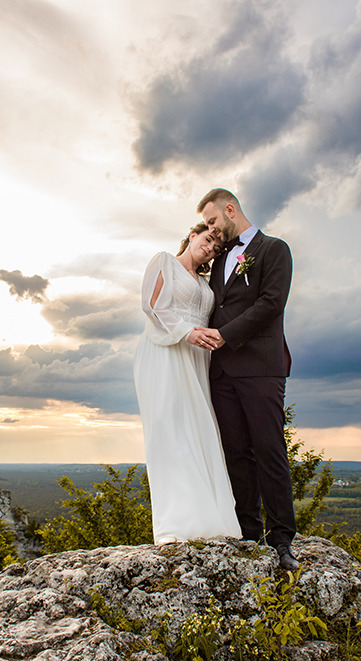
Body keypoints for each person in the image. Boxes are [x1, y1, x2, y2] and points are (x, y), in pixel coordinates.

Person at [191, 188, 299, 571]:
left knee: (269, 451)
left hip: (259, 367)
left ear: (230, 209)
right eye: (207, 226)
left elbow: (271, 304)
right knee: (236, 454)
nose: (212, 229)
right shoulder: (219, 258)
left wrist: (225, 335)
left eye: (213, 221)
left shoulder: (274, 250)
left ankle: (283, 539)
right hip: (221, 372)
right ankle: (249, 534)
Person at [133, 222, 242, 544]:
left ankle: (211, 520)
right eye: (208, 239)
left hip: (198, 360)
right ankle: (177, 524)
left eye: (216, 247)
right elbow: (151, 306)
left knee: (200, 432)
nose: (210, 248)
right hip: (165, 352)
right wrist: (188, 332)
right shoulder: (164, 261)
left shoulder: (208, 283)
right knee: (170, 431)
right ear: (192, 235)